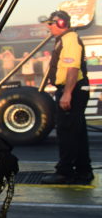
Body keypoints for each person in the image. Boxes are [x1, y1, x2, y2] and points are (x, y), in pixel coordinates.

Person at [42, 10, 93, 183]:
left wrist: (67, 93)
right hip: (75, 90)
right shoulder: (65, 39)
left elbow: (72, 69)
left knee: (67, 132)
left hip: (72, 90)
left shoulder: (69, 39)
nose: (49, 26)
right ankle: (83, 170)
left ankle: (65, 172)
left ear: (62, 23)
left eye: (51, 23)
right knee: (77, 132)